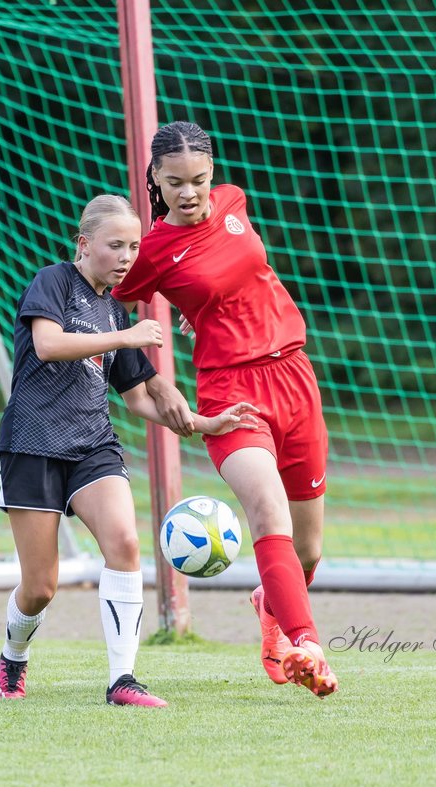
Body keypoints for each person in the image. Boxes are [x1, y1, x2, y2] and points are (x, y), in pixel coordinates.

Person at [0, 194, 257, 706]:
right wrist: (128, 334)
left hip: (93, 446)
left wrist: (203, 421)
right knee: (41, 587)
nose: (126, 256)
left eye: (134, 246)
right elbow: (47, 344)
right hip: (32, 443)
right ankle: (14, 657)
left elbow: (141, 399)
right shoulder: (55, 281)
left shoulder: (116, 311)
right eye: (115, 245)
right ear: (84, 243)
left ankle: (122, 680)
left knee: (126, 544)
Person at [113, 121, 339, 697]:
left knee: (308, 549)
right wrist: (144, 372)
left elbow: (241, 272)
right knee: (268, 514)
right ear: (155, 183)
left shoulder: (234, 202)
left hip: (294, 376)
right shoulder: (154, 250)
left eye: (199, 180)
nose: (190, 193)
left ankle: (271, 605)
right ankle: (306, 644)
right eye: (175, 183)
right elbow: (108, 302)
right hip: (230, 392)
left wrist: (206, 306)